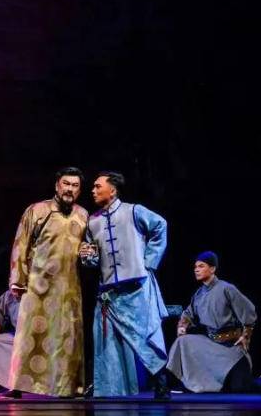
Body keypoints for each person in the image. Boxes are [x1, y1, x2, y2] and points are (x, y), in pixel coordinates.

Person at [79, 171, 170, 399]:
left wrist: (149, 262)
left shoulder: (133, 211)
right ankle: (110, 389)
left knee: (145, 336)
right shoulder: (93, 221)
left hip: (137, 287)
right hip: (109, 291)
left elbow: (160, 225)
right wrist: (88, 257)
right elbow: (93, 259)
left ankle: (161, 383)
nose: (93, 190)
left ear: (113, 190)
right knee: (107, 342)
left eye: (98, 186)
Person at [7, 167, 88, 398]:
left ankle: (67, 387)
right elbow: (21, 243)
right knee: (30, 336)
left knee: (67, 338)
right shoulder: (37, 210)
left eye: (75, 186)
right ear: (57, 185)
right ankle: (18, 386)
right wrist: (18, 279)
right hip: (38, 284)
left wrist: (88, 252)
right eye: (66, 184)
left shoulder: (83, 215)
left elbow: (88, 246)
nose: (69, 189)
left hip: (69, 286)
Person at [166, 251, 261, 393]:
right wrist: (182, 326)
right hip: (210, 345)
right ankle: (185, 382)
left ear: (212, 269)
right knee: (183, 341)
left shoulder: (226, 288)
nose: (196, 269)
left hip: (230, 348)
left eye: (201, 266)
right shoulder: (198, 294)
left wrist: (246, 336)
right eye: (195, 267)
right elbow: (188, 314)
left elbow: (249, 312)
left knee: (239, 388)